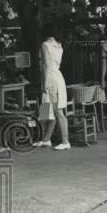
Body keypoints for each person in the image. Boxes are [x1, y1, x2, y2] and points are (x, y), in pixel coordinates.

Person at [34, 22, 71, 150]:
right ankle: (46, 139)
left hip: (50, 78)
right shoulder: (59, 46)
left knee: (56, 111)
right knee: (49, 109)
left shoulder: (45, 45)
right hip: (58, 77)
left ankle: (65, 141)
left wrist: (43, 82)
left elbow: (44, 65)